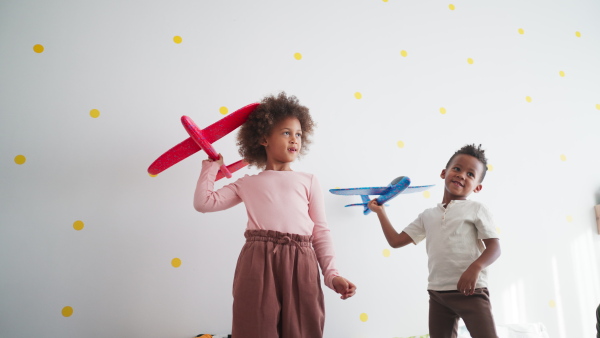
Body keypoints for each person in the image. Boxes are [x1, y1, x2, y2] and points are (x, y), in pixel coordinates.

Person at [194, 92, 356, 338]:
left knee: (303, 327)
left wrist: (332, 275)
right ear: (263, 138)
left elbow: (320, 231)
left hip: (301, 261)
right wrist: (210, 168)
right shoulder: (247, 183)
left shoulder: (309, 181)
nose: (295, 139)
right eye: (286, 132)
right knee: (255, 326)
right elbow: (204, 203)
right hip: (257, 261)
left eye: (299, 134)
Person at [368, 144, 501, 338]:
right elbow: (396, 241)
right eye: (457, 168)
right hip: (438, 293)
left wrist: (475, 267)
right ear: (443, 172)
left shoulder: (477, 209)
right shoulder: (427, 216)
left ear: (478, 187)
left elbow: (495, 247)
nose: (462, 175)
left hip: (471, 291)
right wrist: (381, 212)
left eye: (470, 174)